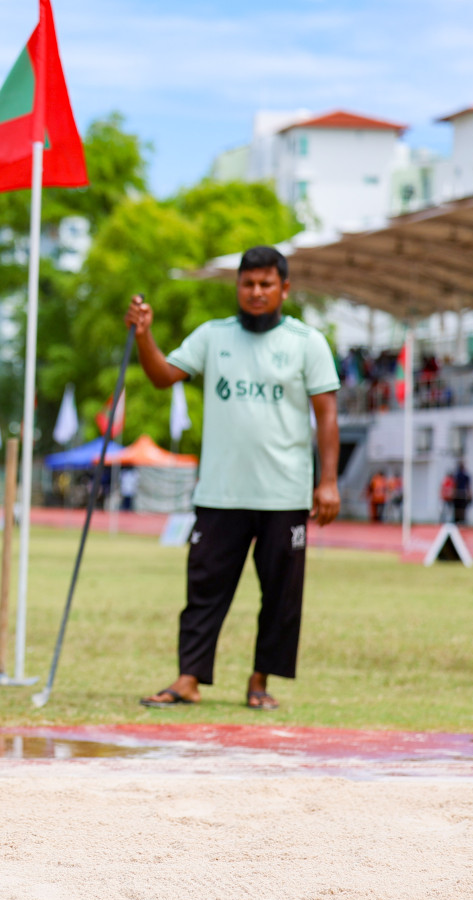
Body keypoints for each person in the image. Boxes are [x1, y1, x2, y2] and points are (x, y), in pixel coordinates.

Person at [127, 246, 341, 712]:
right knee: (204, 588)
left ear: (285, 289)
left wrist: (328, 482)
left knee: (281, 596)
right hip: (221, 492)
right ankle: (188, 680)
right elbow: (164, 376)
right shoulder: (212, 336)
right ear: (237, 287)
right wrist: (144, 336)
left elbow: (326, 415)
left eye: (267, 284)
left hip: (284, 493)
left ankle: (259, 681)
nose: (257, 292)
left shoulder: (308, 342)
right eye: (248, 284)